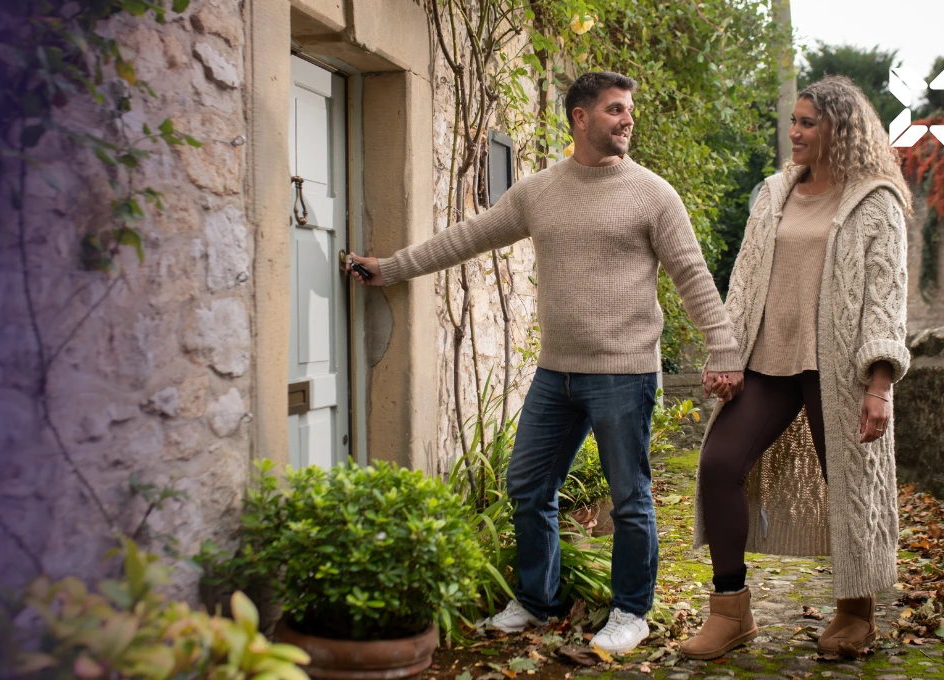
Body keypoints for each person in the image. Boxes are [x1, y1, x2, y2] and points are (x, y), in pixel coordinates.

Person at [345, 72, 743, 654]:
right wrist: (393, 267)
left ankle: (631, 611)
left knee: (630, 497)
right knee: (529, 486)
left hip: (623, 371)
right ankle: (537, 600)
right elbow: (469, 236)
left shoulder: (653, 194)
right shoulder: (539, 192)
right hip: (557, 373)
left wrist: (723, 347)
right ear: (580, 118)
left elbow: (692, 276)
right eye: (614, 109)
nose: (627, 119)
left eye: (629, 109)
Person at [680, 75, 912, 660]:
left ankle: (856, 611)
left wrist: (879, 385)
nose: (796, 132)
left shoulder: (876, 201)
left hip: (840, 369)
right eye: (795, 121)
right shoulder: (775, 192)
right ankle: (731, 610)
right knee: (719, 464)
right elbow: (746, 277)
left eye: (809, 122)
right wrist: (724, 350)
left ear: (841, 129)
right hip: (768, 361)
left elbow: (886, 298)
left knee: (850, 486)